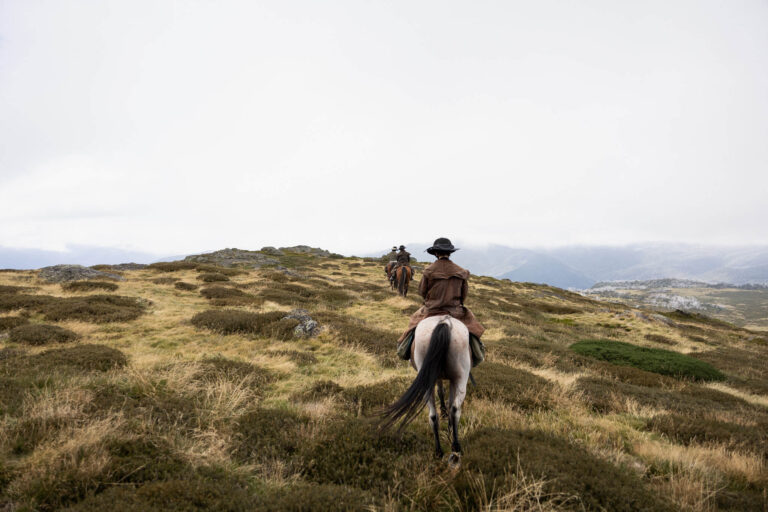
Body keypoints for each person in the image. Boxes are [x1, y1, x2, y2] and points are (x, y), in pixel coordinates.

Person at [396, 238, 485, 366]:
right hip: (455, 310)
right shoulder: (461, 271)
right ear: (450, 253)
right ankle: (478, 353)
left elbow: (422, 291)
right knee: (473, 327)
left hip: (431, 310)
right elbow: (464, 295)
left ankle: (404, 349)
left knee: (413, 323)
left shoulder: (428, 271)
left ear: (436, 253)